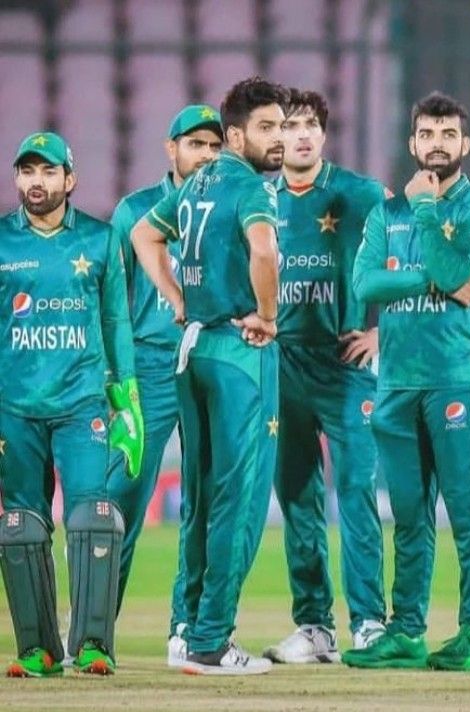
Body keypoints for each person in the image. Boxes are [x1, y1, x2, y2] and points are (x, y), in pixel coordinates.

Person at [131, 77, 286, 675]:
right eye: (267, 128)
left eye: (282, 126)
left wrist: (175, 296)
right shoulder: (250, 187)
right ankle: (211, 643)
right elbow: (265, 252)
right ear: (238, 134)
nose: (278, 138)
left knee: (198, 500)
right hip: (233, 352)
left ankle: (185, 631)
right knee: (233, 501)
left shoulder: (199, 180)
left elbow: (147, 233)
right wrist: (268, 316)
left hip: (188, 355)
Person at [342, 92, 470, 670]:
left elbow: (458, 269)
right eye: (428, 134)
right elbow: (366, 287)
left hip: (455, 379)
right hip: (396, 383)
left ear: (465, 144)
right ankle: (406, 630)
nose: (437, 143)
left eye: (448, 134)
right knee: (409, 514)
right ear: (413, 143)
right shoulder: (386, 213)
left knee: (466, 509)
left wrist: (430, 219)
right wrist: (433, 279)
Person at [0, 132, 141, 676]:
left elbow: (116, 323)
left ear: (70, 179)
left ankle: (94, 645)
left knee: (95, 520)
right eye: (27, 172)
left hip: (84, 403)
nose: (37, 182)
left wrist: (126, 399)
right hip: (15, 407)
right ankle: (37, 648)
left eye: (48, 172)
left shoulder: (102, 240)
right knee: (19, 524)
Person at [262, 89, 387, 664]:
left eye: (312, 124)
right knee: (297, 497)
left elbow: (412, 243)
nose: (303, 134)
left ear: (324, 134)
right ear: (277, 137)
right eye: (291, 125)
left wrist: (383, 332)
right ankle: (315, 626)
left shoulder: (358, 194)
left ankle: (368, 622)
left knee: (357, 492)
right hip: (283, 366)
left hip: (344, 369)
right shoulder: (260, 197)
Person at [105, 105, 223, 664]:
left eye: (213, 145)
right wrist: (116, 378)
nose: (204, 154)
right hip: (149, 367)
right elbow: (111, 304)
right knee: (122, 497)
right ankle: (93, 627)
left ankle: (187, 627)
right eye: (194, 143)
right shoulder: (133, 211)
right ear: (169, 148)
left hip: (208, 360)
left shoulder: (228, 205)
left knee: (201, 500)